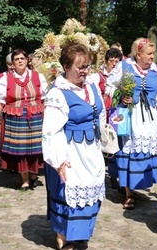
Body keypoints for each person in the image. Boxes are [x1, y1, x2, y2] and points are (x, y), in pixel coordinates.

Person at [42, 42, 106, 250]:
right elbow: (51, 130)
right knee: (69, 193)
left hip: (91, 149)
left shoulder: (91, 86)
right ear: (66, 67)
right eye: (80, 67)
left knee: (91, 190)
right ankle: (65, 237)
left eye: (87, 66)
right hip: (70, 151)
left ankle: (80, 235)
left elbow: (101, 112)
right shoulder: (58, 93)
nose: (85, 71)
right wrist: (58, 160)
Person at [107, 37, 157, 209]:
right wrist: (121, 96)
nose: (152, 57)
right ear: (138, 54)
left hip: (149, 117)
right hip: (130, 114)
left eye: (153, 53)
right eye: (149, 54)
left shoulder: (156, 70)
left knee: (144, 150)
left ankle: (139, 184)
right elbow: (109, 87)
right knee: (129, 151)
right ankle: (128, 193)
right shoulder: (124, 66)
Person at [0, 49, 48, 190]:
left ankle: (34, 174)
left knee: (36, 149)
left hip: (36, 116)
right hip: (15, 117)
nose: (20, 61)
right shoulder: (5, 79)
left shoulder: (38, 77)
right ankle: (25, 179)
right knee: (21, 151)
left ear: (27, 60)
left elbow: (44, 99)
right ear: (13, 63)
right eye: (16, 59)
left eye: (22, 58)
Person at [89, 48, 122, 189]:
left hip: (116, 114)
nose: (114, 64)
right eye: (111, 61)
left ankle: (114, 176)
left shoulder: (122, 77)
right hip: (103, 114)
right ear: (106, 61)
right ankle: (98, 174)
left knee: (114, 144)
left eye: (116, 61)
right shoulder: (98, 77)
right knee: (101, 144)